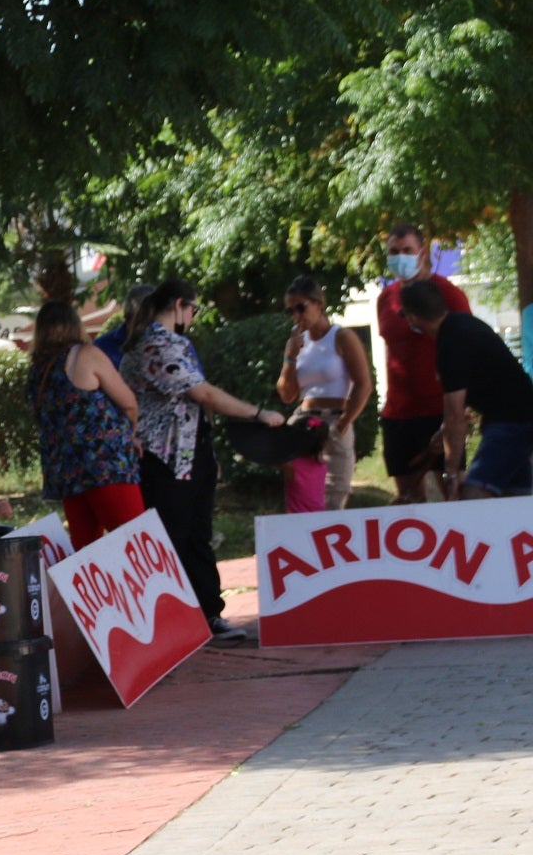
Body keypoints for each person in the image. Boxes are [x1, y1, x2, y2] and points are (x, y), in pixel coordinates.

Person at [119, 279, 281, 644]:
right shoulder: (155, 346)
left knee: (197, 538)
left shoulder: (171, 343)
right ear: (179, 304)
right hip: (165, 459)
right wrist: (257, 413)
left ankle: (207, 615)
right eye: (193, 310)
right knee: (171, 540)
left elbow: (196, 405)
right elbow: (202, 392)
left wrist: (211, 456)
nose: (193, 317)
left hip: (190, 455)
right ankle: (170, 624)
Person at [396, 281, 533, 499]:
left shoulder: (450, 346)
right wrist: (445, 430)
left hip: (512, 423)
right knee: (514, 497)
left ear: (412, 317)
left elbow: (455, 416)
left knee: (473, 494)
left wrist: (451, 474)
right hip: (518, 417)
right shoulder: (463, 324)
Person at [28, 299, 146, 549]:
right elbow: (129, 403)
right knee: (137, 546)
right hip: (106, 466)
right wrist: (130, 435)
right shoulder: (86, 354)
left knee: (87, 551)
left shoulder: (38, 370)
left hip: (68, 475)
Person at [376, 223, 470, 502]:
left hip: (440, 411)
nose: (400, 256)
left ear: (422, 252)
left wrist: (458, 415)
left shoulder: (448, 294)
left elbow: (468, 352)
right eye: (394, 251)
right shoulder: (385, 298)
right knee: (408, 503)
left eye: (407, 250)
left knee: (456, 496)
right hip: (398, 414)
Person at [275, 276, 371, 512]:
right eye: (290, 311)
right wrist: (290, 358)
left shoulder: (341, 337)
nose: (296, 316)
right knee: (301, 498)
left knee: (332, 500)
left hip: (334, 418)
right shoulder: (299, 341)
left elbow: (363, 384)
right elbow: (287, 395)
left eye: (301, 308)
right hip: (304, 420)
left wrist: (343, 424)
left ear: (318, 304)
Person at [92, 282, 154, 368]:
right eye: (144, 318)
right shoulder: (102, 347)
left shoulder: (172, 343)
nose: (153, 325)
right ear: (127, 317)